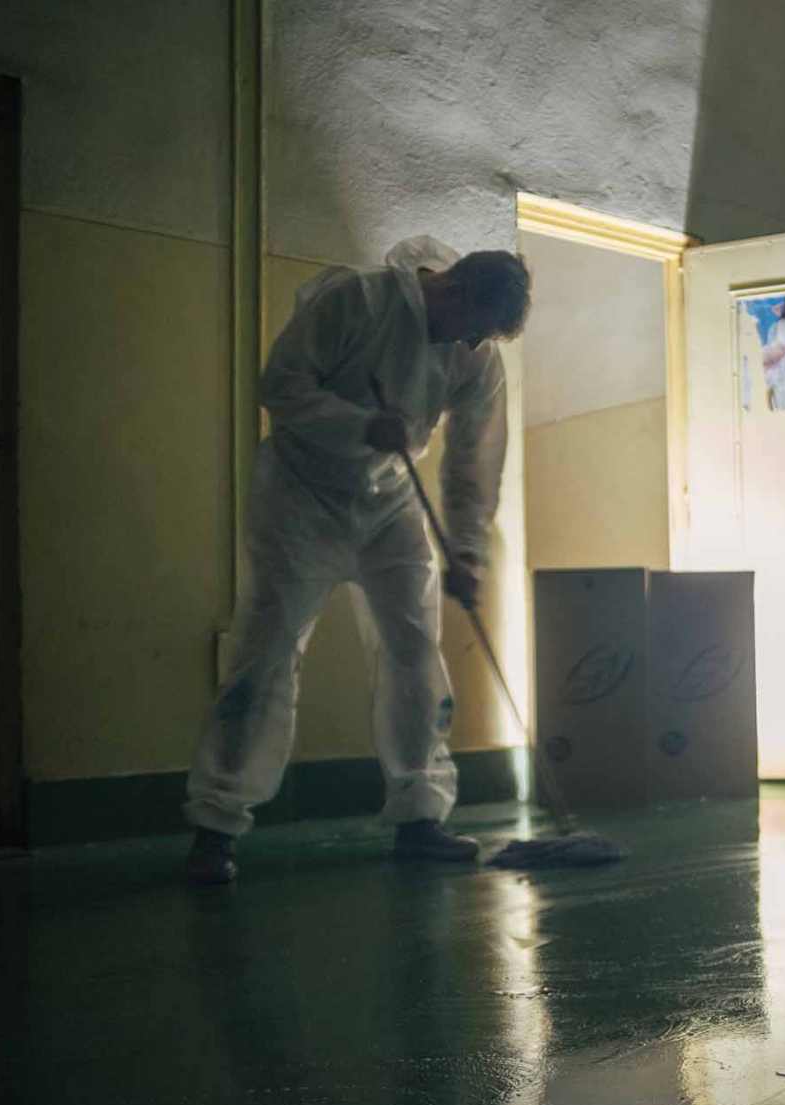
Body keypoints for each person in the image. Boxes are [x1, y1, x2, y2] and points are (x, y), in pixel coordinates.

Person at [184, 236, 531, 884]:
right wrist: (359, 424)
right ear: (452, 286)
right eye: (471, 327)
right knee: (268, 650)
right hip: (300, 498)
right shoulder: (357, 299)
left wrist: (466, 553)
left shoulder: (476, 357)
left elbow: (472, 463)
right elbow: (280, 385)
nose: (471, 344)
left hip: (391, 505)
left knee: (414, 649)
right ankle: (216, 824)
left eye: (483, 337)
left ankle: (420, 816)